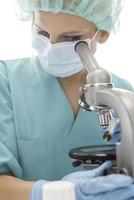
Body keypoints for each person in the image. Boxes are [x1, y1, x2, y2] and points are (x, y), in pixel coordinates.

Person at [0, 0, 134, 200]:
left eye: (71, 38)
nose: (51, 47)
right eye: (42, 33)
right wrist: (60, 194)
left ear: (103, 32)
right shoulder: (7, 81)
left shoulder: (124, 97)